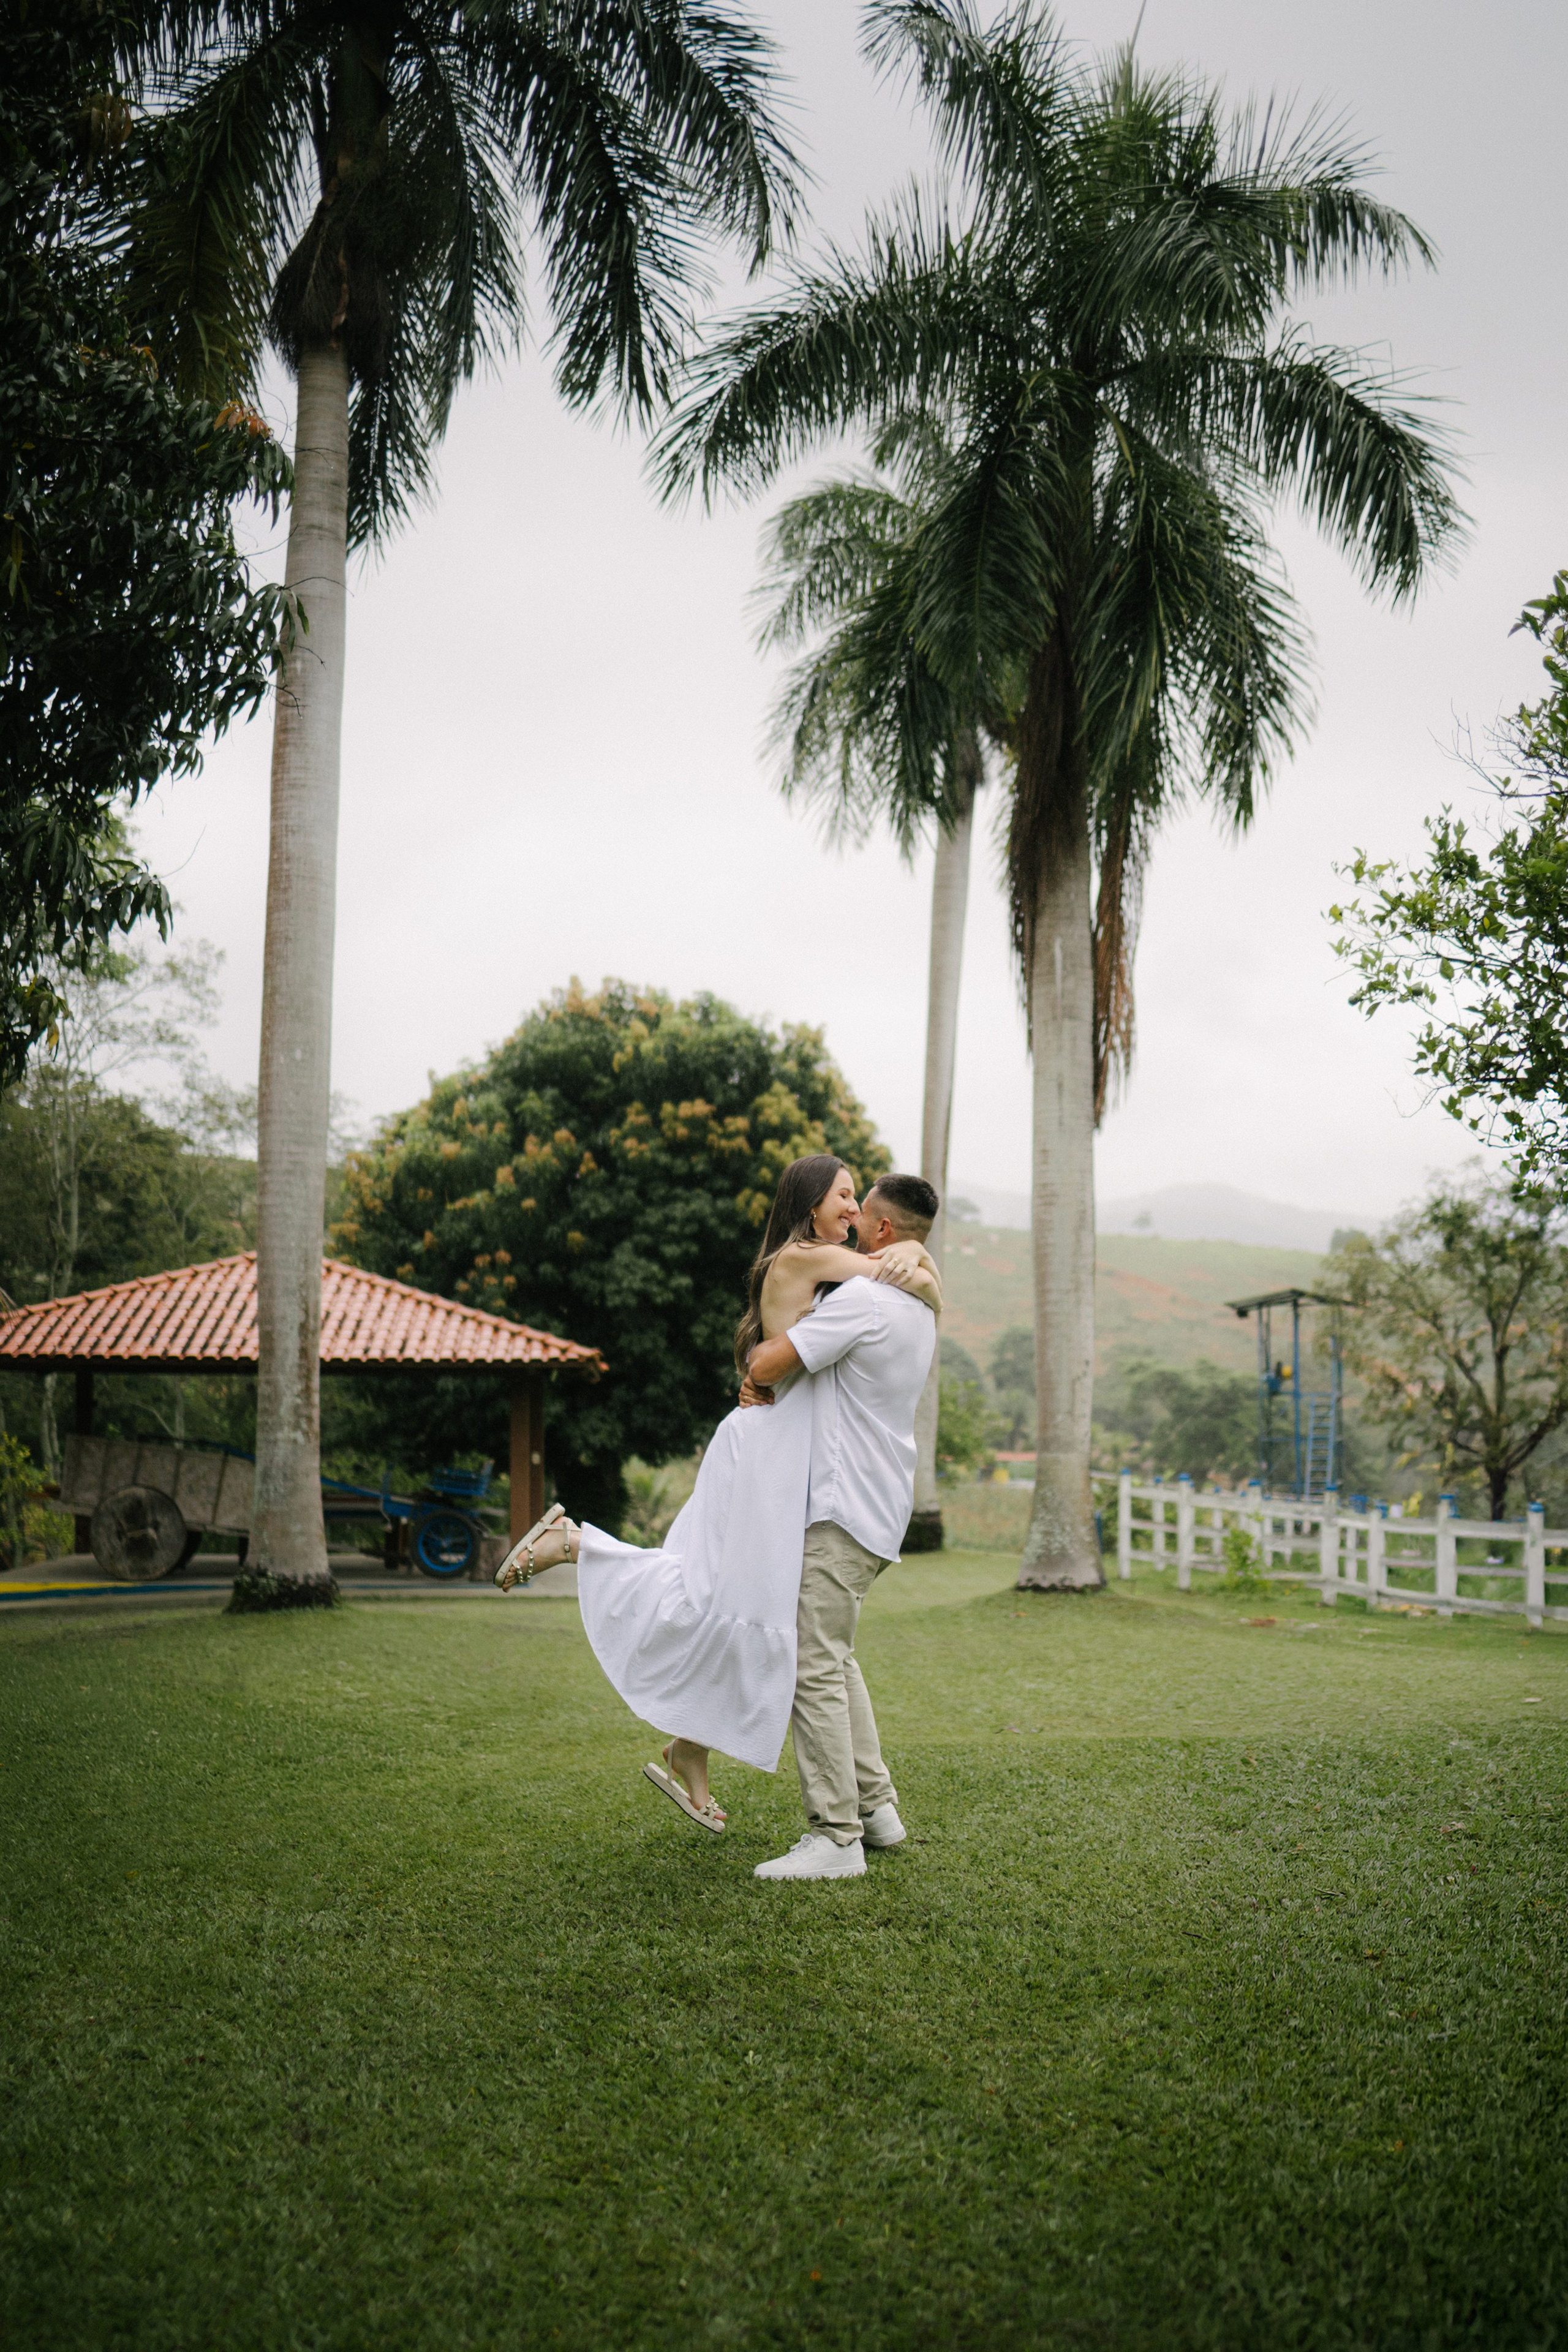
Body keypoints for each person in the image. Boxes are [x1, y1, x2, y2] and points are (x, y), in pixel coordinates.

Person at [492, 1155, 941, 1835]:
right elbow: (883, 1281)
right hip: (765, 1447)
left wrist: (914, 1255)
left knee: (739, 1602)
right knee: (711, 1592)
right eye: (842, 1196)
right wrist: (913, 1253)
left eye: (857, 1199)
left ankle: (690, 1750)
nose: (850, 1209)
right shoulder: (804, 1258)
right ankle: (578, 1544)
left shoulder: (830, 1267)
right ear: (809, 1205)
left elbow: (896, 1276)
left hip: (782, 1448)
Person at [744, 1171, 940, 1881]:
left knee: (813, 1662)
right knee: (835, 1655)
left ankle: (835, 1837)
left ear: (884, 1232)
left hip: (840, 1505)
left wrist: (758, 1361)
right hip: (879, 1507)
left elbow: (769, 1363)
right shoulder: (918, 1307)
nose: (852, 1225)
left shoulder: (863, 1301)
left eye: (864, 1221)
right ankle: (878, 1809)